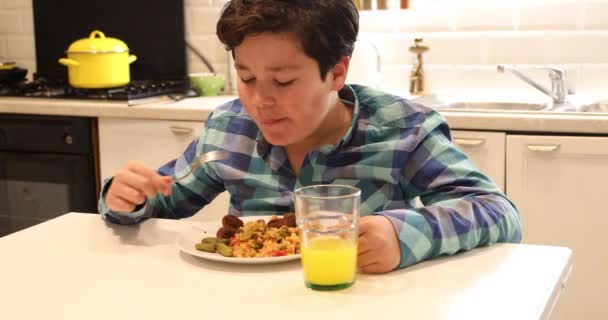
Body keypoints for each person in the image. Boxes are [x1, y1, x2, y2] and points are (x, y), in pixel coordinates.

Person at [98, 0, 521, 273]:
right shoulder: (229, 128)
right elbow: (166, 200)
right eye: (246, 78)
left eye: (283, 82)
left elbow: (498, 212)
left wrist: (401, 234)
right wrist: (128, 197)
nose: (260, 101)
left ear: (336, 72)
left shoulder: (402, 130)